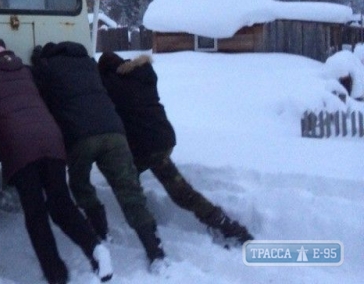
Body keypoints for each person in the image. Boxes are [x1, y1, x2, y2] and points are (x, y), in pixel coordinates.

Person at [0, 44, 112, 284]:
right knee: (62, 204)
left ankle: (56, 274)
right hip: (51, 140)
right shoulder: (26, 71)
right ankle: (95, 248)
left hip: (20, 147)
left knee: (36, 215)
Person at [31, 41, 166, 272]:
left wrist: (37, 61)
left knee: (80, 184)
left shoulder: (47, 66)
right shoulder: (89, 63)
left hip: (79, 137)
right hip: (114, 132)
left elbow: (40, 94)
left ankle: (100, 235)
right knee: (129, 190)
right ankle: (155, 250)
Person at [97, 52, 254, 247]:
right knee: (171, 187)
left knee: (132, 185)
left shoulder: (113, 85)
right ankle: (222, 222)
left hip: (146, 147)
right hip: (163, 139)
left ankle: (147, 224)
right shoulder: (141, 75)